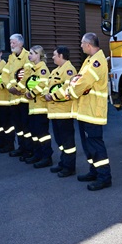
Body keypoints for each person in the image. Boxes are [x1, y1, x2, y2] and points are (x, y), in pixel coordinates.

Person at [51, 33, 112, 191]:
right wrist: (71, 89)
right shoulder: (89, 60)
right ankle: (94, 171)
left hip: (93, 111)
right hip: (86, 111)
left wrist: (68, 93)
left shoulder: (96, 61)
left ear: (89, 45)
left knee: (95, 145)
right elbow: (76, 80)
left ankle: (104, 177)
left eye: (82, 43)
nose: (80, 46)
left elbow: (81, 83)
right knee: (89, 146)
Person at [44, 46, 77, 177]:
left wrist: (52, 96)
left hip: (64, 112)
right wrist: (46, 94)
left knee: (67, 141)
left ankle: (69, 167)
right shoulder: (55, 71)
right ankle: (63, 162)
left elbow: (67, 88)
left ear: (61, 56)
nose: (52, 57)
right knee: (60, 140)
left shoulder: (69, 70)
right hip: (54, 112)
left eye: (54, 55)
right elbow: (48, 86)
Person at [1, 34, 32, 160]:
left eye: (13, 43)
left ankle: (29, 149)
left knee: (26, 126)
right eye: (10, 43)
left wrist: (18, 89)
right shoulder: (11, 58)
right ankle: (21, 147)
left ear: (20, 43)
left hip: (23, 98)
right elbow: (4, 74)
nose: (11, 45)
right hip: (13, 99)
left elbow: (28, 75)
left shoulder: (27, 56)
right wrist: (9, 87)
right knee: (18, 126)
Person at [21, 45, 53, 168]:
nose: (29, 55)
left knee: (42, 134)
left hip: (41, 108)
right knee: (35, 133)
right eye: (29, 53)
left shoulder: (42, 69)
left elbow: (42, 84)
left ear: (39, 55)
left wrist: (31, 93)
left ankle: (46, 157)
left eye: (32, 53)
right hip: (33, 107)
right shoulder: (34, 70)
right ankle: (37, 154)